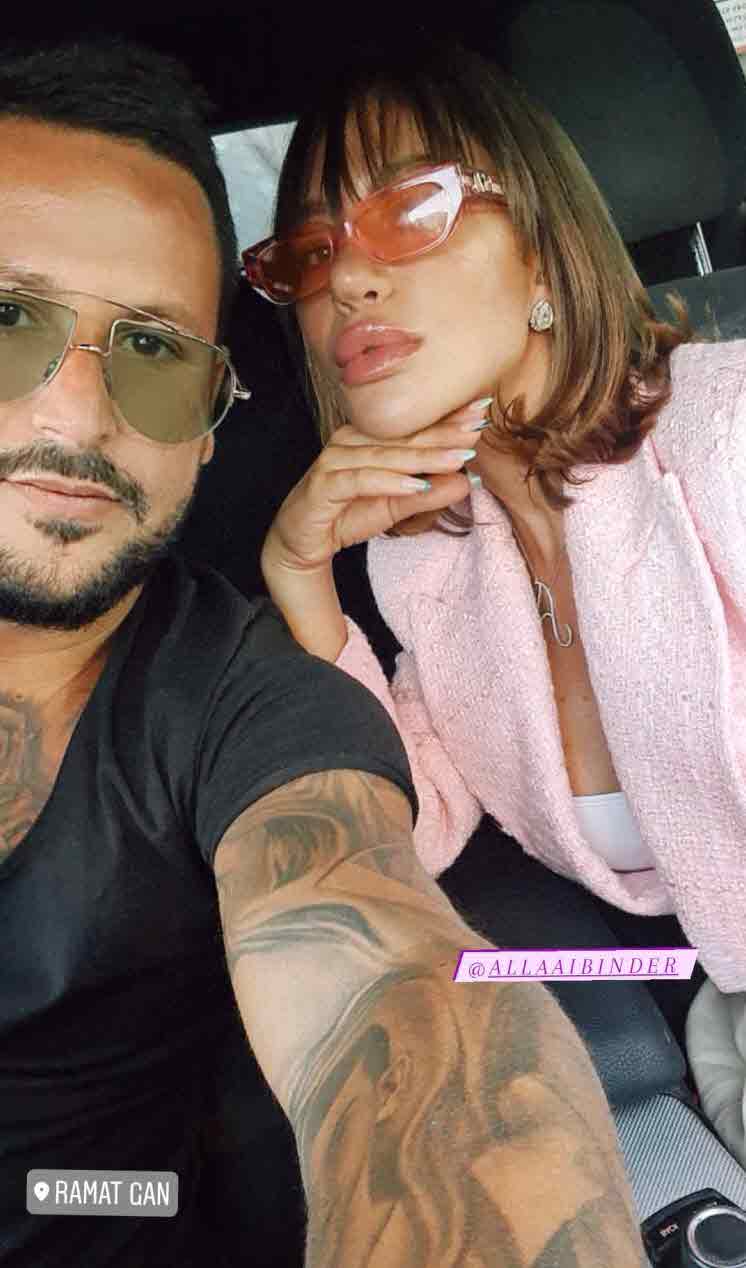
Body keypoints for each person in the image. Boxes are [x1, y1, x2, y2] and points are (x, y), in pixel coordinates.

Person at [0, 36, 646, 1268]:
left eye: (153, 347)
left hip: (100, 1200)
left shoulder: (229, 693)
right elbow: (436, 812)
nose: (77, 412)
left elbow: (388, 971)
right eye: (6, 316)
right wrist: (301, 568)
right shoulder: (429, 560)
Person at [249, 42, 746, 1160]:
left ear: (540, 253)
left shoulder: (727, 433)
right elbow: (415, 827)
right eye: (314, 252)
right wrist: (299, 574)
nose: (348, 280)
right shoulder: (431, 560)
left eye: (409, 210)